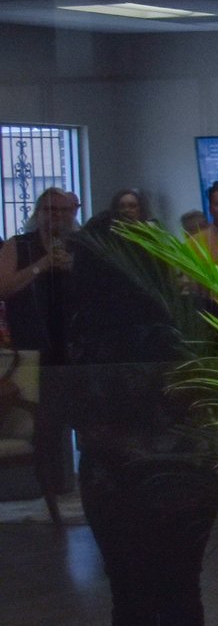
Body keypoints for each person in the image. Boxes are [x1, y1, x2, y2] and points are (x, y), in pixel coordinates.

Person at [67, 197, 218, 626]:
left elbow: (74, 406)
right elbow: (211, 387)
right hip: (185, 466)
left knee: (129, 593)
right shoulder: (183, 316)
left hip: (115, 471)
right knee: (182, 588)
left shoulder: (81, 326)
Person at [0, 188, 82, 507]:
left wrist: (72, 267)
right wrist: (42, 265)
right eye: (50, 210)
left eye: (63, 210)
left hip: (74, 344)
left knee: (77, 414)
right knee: (43, 419)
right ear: (39, 212)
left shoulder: (81, 245)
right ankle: (44, 485)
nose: (57, 216)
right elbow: (4, 288)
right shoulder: (18, 245)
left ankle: (73, 482)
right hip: (32, 344)